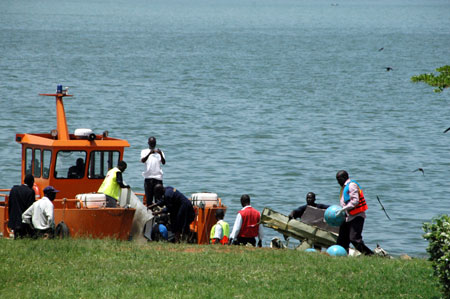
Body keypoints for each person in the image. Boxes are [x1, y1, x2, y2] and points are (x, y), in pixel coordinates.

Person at [335, 170, 373, 255]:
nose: (338, 182)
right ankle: (341, 256)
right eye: (337, 179)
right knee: (342, 240)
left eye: (339, 179)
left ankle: (370, 255)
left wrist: (343, 209)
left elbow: (355, 201)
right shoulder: (344, 187)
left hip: (356, 216)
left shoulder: (352, 185)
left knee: (354, 239)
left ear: (345, 177)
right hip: (347, 217)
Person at [8, 174, 36, 238]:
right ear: (31, 182)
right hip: (24, 223)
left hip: (14, 220)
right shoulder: (30, 192)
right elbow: (30, 208)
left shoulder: (14, 189)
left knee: (16, 237)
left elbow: (10, 204)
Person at [141, 136, 166, 207]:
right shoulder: (144, 151)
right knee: (149, 199)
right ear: (148, 143)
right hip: (148, 178)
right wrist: (149, 153)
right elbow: (143, 160)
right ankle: (150, 214)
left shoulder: (160, 152)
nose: (152, 144)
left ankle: (158, 215)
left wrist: (160, 154)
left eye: (154, 143)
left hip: (158, 178)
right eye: (151, 143)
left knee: (159, 200)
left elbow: (163, 162)